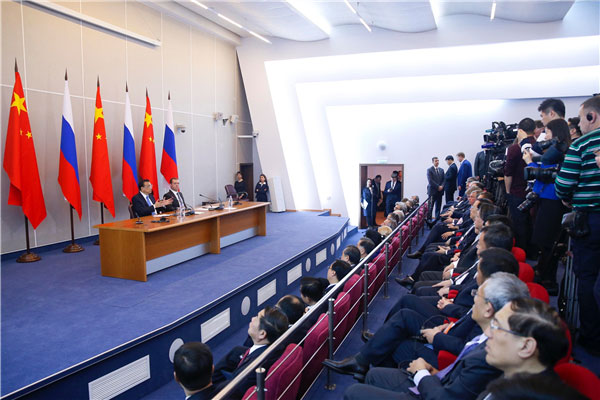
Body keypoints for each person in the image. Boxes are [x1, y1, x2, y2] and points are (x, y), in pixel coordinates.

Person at [325, 272, 527, 385]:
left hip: (443, 354)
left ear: (489, 308)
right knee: (404, 316)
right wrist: (448, 325)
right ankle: (365, 364)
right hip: (448, 328)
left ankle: (366, 367)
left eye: (478, 297)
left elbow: (466, 349)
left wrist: (437, 336)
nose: (474, 298)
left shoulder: (495, 341)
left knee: (395, 338)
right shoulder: (497, 321)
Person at [555, 95, 600, 356]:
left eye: (581, 119)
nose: (578, 126)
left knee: (587, 277)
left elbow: (563, 185)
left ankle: (592, 339)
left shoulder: (582, 145)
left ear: (592, 117)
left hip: (590, 221)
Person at [481, 298, 571, 397]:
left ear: (526, 347)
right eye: (493, 323)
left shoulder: (521, 395)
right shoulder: (512, 378)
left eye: (497, 327)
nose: (487, 333)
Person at [523, 119, 571, 292]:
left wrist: (529, 163)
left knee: (548, 241)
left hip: (553, 199)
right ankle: (544, 274)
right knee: (543, 240)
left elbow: (544, 172)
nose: (545, 135)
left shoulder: (559, 150)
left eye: (548, 132)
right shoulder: (553, 148)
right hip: (546, 198)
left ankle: (547, 279)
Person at [212, 307, 288, 398]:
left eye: (257, 317)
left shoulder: (250, 371)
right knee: (236, 351)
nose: (252, 319)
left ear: (262, 334)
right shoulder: (275, 345)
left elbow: (231, 392)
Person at [503, 118, 536, 251]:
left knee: (519, 224)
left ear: (520, 131)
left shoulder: (514, 149)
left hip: (517, 192)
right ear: (534, 130)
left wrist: (507, 192)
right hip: (536, 192)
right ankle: (533, 252)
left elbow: (508, 173)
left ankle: (522, 252)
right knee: (533, 223)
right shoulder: (540, 146)